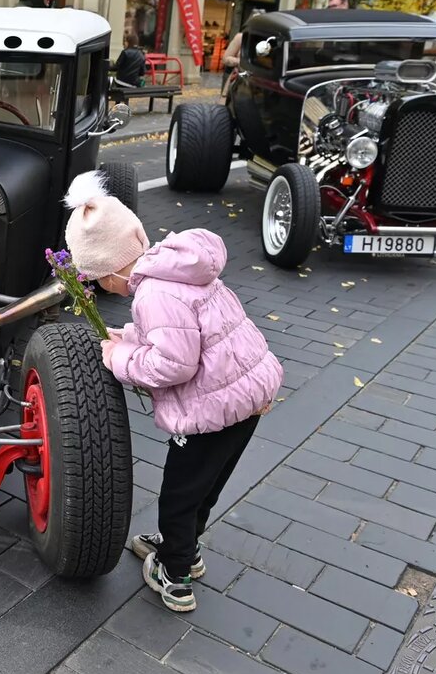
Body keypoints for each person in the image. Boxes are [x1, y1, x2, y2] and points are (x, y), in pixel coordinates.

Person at [62, 171, 283, 613]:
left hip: (211, 410)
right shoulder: (177, 270)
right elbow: (183, 333)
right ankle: (186, 549)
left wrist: (117, 359)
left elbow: (171, 364)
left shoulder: (152, 296)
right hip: (247, 398)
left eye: (96, 278)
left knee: (179, 494)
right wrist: (129, 337)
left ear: (107, 272)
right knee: (206, 486)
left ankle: (175, 574)